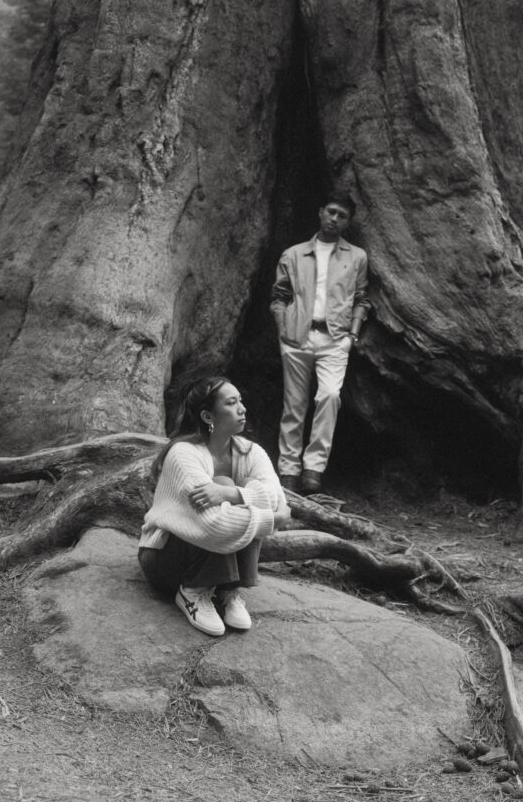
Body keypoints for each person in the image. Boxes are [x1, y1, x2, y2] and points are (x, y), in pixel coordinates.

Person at [138, 376, 290, 637]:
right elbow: (214, 526)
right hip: (167, 559)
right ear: (208, 417)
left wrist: (230, 493)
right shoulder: (183, 454)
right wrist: (273, 519)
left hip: (213, 547)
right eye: (231, 403)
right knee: (225, 490)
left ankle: (227, 590)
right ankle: (192, 591)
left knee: (227, 486)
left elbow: (277, 498)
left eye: (240, 401)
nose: (242, 408)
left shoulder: (251, 452)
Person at [270, 193, 371, 496]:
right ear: (320, 212)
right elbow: (279, 296)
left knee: (329, 397)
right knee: (294, 406)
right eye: (330, 212)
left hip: (335, 339)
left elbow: (362, 299)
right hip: (297, 338)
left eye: (341, 215)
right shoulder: (294, 254)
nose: (334, 219)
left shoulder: (357, 257)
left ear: (347, 222)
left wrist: (352, 336)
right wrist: (283, 331)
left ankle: (313, 468)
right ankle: (288, 471)